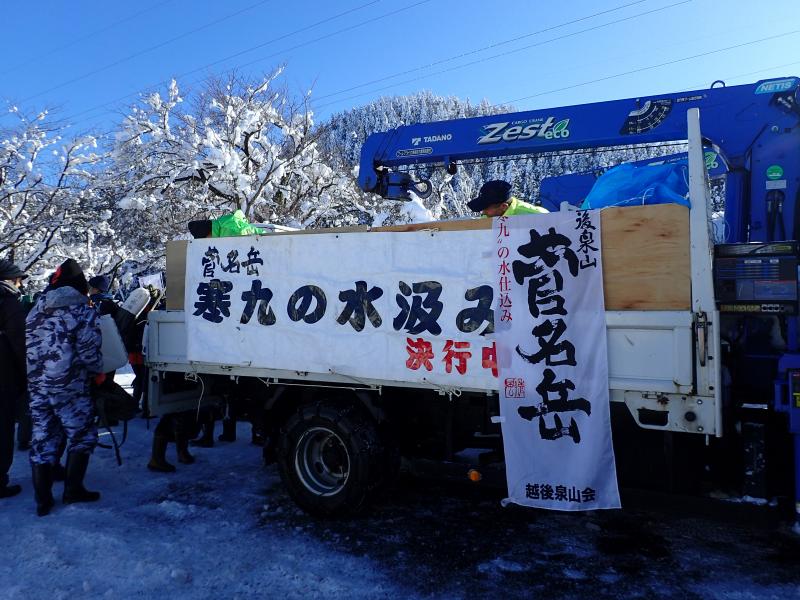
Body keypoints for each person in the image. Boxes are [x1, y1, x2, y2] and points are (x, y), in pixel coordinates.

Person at [26, 258, 103, 516]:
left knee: (43, 438)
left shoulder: (36, 309)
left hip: (38, 386)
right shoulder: (82, 311)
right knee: (82, 435)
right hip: (70, 386)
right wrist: (98, 371)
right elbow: (89, 351)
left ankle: (42, 500)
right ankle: (73, 490)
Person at [0, 259, 29, 499]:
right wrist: (26, 374)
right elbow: (20, 342)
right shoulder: (9, 302)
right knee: (2, 428)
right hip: (3, 374)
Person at [467, 180, 549, 217]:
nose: (483, 212)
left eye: (486, 208)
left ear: (504, 207)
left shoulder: (537, 217)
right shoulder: (490, 216)